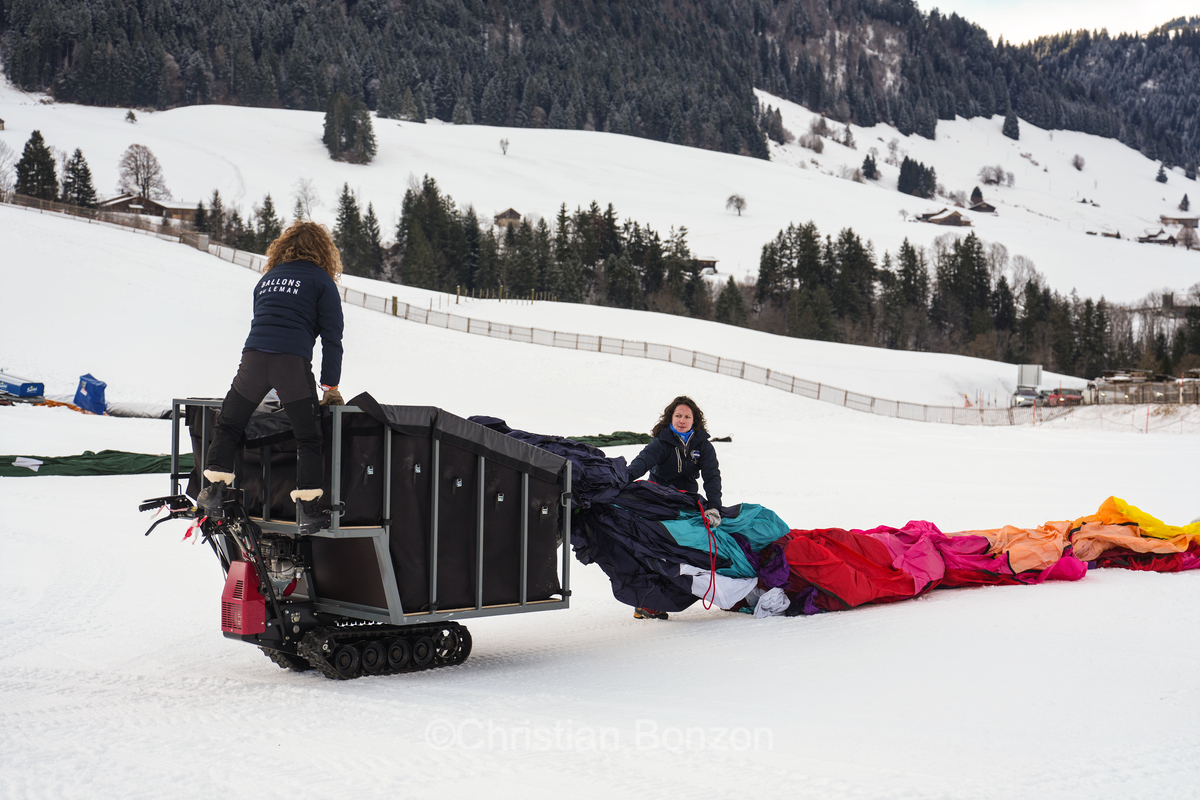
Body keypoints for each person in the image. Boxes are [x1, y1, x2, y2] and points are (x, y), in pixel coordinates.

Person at [197, 221, 345, 533]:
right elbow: (332, 338)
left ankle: (213, 491)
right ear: (322, 251)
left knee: (229, 424)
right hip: (290, 361)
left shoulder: (268, 279)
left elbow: (261, 318)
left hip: (252, 357)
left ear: (285, 246)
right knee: (308, 434)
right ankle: (308, 509)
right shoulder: (321, 281)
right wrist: (330, 386)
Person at [626, 395, 723, 620]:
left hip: (687, 502)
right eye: (678, 415)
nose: (682, 420)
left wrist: (714, 507)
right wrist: (624, 479)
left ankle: (663, 599)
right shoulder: (662, 442)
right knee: (658, 551)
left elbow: (712, 477)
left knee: (688, 552)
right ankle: (647, 602)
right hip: (659, 501)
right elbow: (641, 463)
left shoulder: (703, 446)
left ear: (694, 420)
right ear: (670, 418)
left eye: (687, 416)